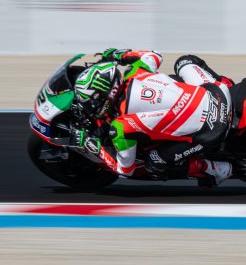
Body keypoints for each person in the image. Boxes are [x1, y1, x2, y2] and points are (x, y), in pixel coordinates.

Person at [70, 48, 234, 188]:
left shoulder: (121, 125)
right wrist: (120, 55)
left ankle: (215, 169)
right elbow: (154, 55)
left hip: (211, 129)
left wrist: (90, 144)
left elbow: (126, 169)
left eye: (90, 102)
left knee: (154, 164)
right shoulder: (136, 72)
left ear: (105, 97)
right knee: (184, 61)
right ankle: (229, 85)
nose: (89, 106)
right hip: (218, 93)